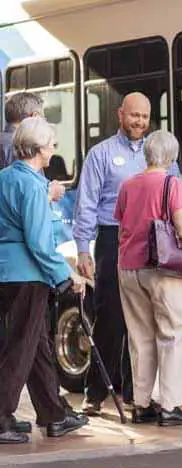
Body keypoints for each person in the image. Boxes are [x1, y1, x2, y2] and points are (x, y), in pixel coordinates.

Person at [73, 92, 180, 415]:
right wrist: (82, 250)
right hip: (111, 238)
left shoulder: (160, 154)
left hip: (154, 240)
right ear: (121, 114)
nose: (140, 122)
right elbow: (87, 204)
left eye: (145, 117)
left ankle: (137, 395)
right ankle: (95, 393)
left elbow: (176, 192)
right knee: (110, 319)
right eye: (134, 115)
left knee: (144, 319)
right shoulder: (101, 153)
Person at [115, 131, 182, 426]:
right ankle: (170, 406)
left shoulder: (128, 185)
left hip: (128, 269)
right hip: (161, 269)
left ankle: (142, 404)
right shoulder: (173, 184)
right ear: (172, 158)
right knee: (171, 334)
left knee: (140, 337)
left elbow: (122, 229)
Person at [0, 117, 88, 444]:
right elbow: (38, 242)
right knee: (20, 348)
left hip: (5, 271)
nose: (54, 149)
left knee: (37, 347)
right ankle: (1, 417)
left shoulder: (5, 178)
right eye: (51, 144)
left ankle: (53, 414)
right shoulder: (34, 185)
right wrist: (67, 274)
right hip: (28, 276)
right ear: (38, 149)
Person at [0, 92, 65, 202]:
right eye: (43, 119)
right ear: (34, 116)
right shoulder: (23, 147)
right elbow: (29, 200)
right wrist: (50, 194)